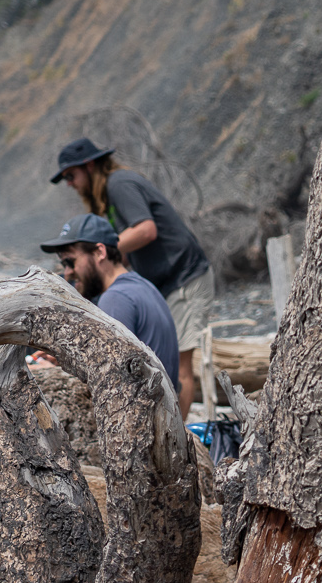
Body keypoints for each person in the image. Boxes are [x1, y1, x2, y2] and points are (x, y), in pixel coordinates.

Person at [51, 136, 212, 418]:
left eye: (70, 175)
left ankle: (182, 438)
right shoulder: (106, 198)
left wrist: (99, 249)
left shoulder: (119, 184)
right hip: (162, 281)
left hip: (184, 275)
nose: (69, 183)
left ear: (89, 166)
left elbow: (146, 230)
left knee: (181, 366)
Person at [39, 213, 181, 394]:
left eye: (70, 262)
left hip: (141, 417)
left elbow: (110, 384)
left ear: (100, 252)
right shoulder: (143, 286)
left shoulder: (115, 299)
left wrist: (50, 374)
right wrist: (64, 362)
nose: (68, 273)